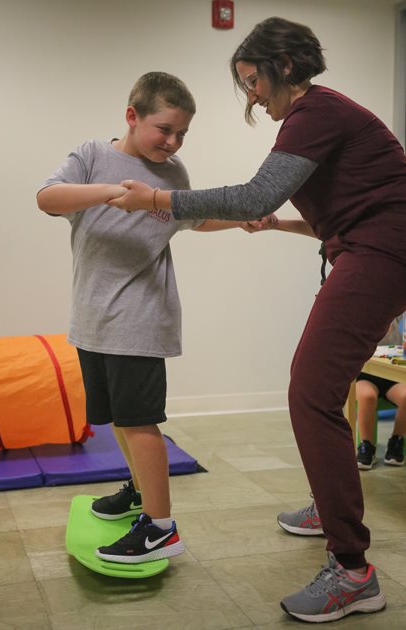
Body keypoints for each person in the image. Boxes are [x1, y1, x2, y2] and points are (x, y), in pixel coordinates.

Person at [104, 17, 406, 623]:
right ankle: (331, 504)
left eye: (253, 81)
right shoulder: (324, 117)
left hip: (383, 254)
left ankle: (353, 571)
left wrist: (157, 199)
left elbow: (250, 196)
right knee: (326, 387)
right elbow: (354, 205)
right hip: (371, 247)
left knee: (309, 391)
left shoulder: (316, 112)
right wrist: (292, 225)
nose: (252, 96)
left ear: (285, 67)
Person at [36, 72, 255, 565]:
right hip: (92, 317)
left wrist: (241, 219)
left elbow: (192, 218)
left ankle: (160, 528)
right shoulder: (92, 155)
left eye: (182, 135)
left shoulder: (174, 172)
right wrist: (115, 191)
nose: (173, 143)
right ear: (132, 116)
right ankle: (137, 492)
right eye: (164, 130)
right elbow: (47, 198)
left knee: (141, 424)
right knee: (117, 418)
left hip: (140, 318)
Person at [356, 316, 406, 469]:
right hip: (366, 373)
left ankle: (397, 440)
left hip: (391, 372)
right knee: (367, 396)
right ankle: (366, 445)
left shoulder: (396, 306)